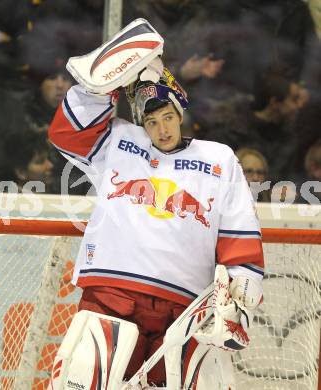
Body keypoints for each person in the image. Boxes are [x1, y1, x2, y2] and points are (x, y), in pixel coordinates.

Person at [48, 21, 264, 389]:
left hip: (182, 310)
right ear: (140, 122)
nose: (161, 129)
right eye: (151, 121)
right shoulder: (118, 140)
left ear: (180, 114)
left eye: (167, 118)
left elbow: (240, 235)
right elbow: (66, 135)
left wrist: (240, 301)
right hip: (111, 295)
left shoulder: (219, 159)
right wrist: (98, 90)